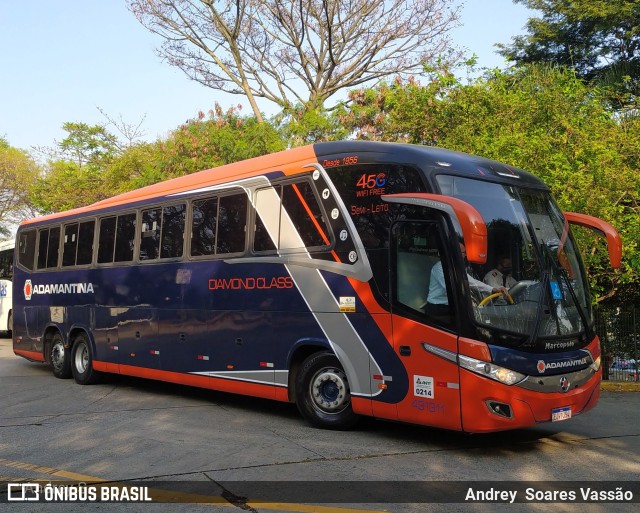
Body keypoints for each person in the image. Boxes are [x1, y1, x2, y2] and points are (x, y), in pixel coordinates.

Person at [425, 244, 508, 316]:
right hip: (438, 308)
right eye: (463, 253)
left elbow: (472, 282)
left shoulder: (457, 268)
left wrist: (493, 289)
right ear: (454, 253)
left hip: (451, 307)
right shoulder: (439, 267)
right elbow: (452, 288)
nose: (464, 256)